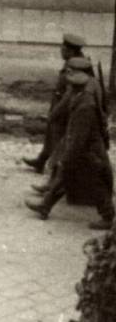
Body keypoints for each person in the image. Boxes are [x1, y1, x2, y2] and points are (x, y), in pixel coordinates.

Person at [25, 69, 113, 230]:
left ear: (75, 88)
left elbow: (80, 136)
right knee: (64, 179)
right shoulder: (80, 98)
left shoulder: (85, 107)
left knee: (96, 184)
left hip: (88, 152)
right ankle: (45, 206)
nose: (68, 89)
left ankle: (108, 217)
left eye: (70, 87)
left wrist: (68, 156)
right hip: (84, 150)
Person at [23, 33, 86, 174]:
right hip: (59, 102)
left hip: (65, 107)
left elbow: (70, 93)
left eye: (63, 49)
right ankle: (41, 160)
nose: (61, 52)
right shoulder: (72, 60)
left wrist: (57, 110)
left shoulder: (76, 65)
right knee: (51, 133)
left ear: (71, 50)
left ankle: (57, 176)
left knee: (59, 140)